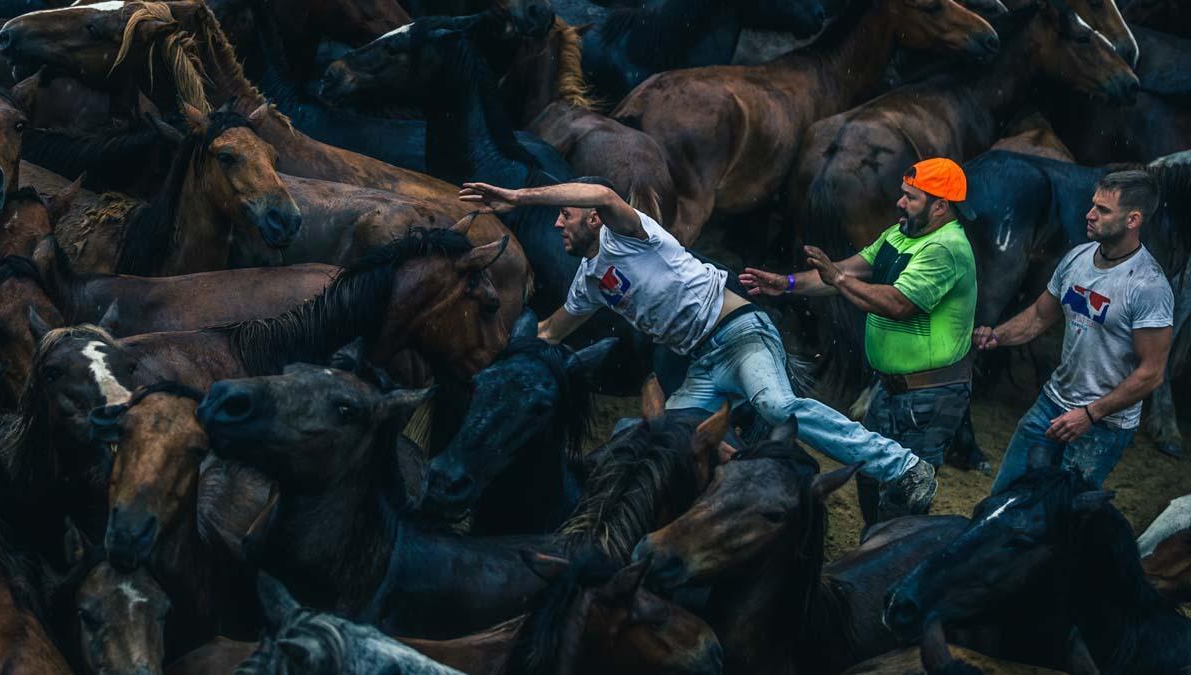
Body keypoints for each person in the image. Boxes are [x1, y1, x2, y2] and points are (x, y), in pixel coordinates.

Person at [458, 176, 938, 517]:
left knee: (775, 404)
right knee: (662, 437)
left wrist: (518, 197)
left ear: (593, 219)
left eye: (565, 216)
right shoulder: (589, 282)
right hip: (703, 364)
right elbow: (546, 335)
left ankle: (905, 466)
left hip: (741, 332)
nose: (558, 226)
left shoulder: (629, 234)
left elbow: (603, 192)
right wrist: (475, 359)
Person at [741, 158, 977, 525]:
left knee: (904, 490)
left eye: (911, 198)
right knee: (869, 472)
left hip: (929, 397)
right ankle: (873, 543)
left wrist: (838, 279)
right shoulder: (901, 233)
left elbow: (898, 304)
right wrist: (786, 284)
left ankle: (887, 564)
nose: (900, 203)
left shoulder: (945, 249)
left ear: (941, 206)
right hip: (889, 388)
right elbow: (846, 271)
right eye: (903, 195)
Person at [975, 170, 1173, 494]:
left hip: (1103, 427)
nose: (1089, 214)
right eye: (1093, 205)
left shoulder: (1148, 286)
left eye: (1103, 210)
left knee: (1058, 516)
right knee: (1004, 496)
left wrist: (1089, 415)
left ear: (1133, 219)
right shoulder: (1078, 257)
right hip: (1052, 404)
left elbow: (1151, 374)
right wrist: (997, 336)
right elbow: (1040, 315)